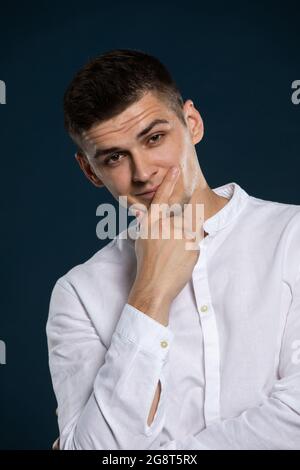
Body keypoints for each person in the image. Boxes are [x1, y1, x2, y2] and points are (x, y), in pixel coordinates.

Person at [46, 49, 300, 450]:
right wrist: (149, 294)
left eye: (154, 138)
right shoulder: (77, 295)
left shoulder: (293, 236)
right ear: (90, 170)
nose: (143, 172)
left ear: (192, 123)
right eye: (115, 157)